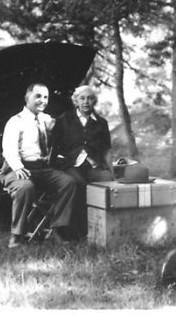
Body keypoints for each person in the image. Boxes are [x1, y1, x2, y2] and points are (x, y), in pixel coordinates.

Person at [0, 82, 79, 249]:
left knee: (68, 182)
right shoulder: (16, 121)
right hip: (18, 167)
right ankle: (17, 235)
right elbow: (9, 150)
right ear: (27, 98)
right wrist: (18, 167)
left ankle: (58, 229)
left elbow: (65, 130)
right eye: (38, 96)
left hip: (43, 168)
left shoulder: (46, 119)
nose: (42, 100)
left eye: (45, 97)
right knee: (24, 187)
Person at [52, 85, 114, 238]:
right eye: (82, 98)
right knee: (79, 184)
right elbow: (55, 147)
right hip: (71, 165)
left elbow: (107, 150)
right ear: (76, 101)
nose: (86, 102)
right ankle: (76, 230)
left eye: (90, 98)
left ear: (94, 101)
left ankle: (103, 228)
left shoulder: (101, 123)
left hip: (94, 165)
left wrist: (111, 172)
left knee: (106, 181)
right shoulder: (64, 119)